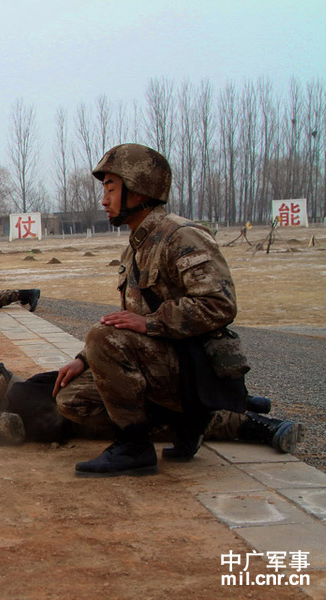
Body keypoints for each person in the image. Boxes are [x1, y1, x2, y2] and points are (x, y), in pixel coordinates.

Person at [52, 143, 303, 478]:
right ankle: (192, 421)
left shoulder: (182, 236)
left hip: (194, 362)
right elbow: (127, 319)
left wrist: (151, 323)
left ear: (138, 189)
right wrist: (83, 359)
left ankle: (134, 447)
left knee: (102, 336)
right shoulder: (137, 247)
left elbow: (219, 305)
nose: (103, 200)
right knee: (72, 400)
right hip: (166, 360)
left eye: (110, 188)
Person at [0, 314, 300, 452]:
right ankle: (243, 403)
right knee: (138, 395)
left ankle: (250, 425)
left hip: (46, 414)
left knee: (150, 422)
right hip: (32, 391)